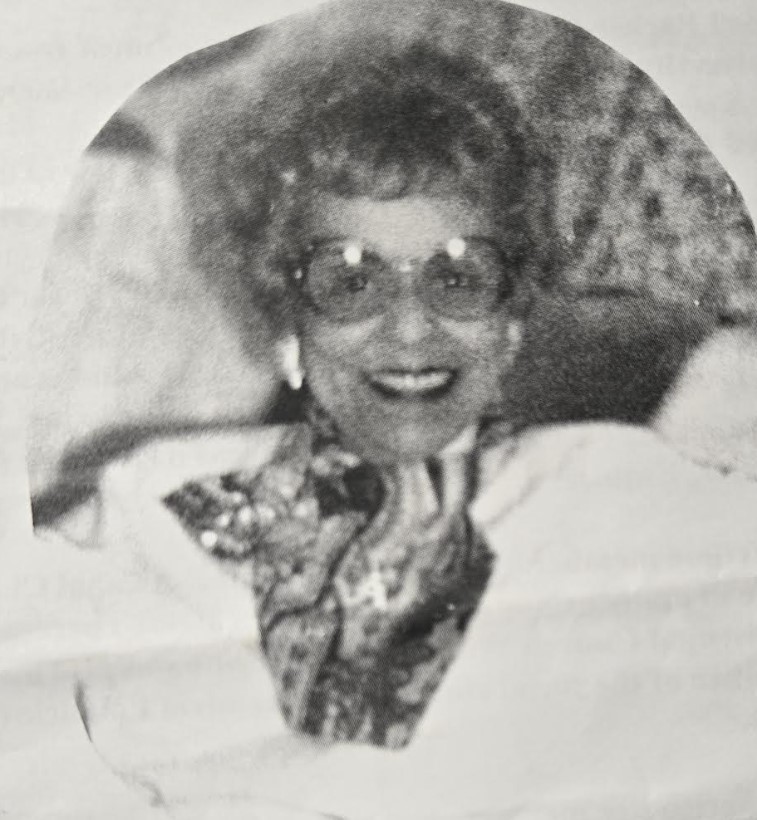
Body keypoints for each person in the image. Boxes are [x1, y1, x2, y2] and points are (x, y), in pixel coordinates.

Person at [15, 16, 757, 820]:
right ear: (285, 323)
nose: (408, 327)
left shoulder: (630, 511)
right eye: (350, 281)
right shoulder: (136, 521)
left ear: (511, 324)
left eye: (459, 279)